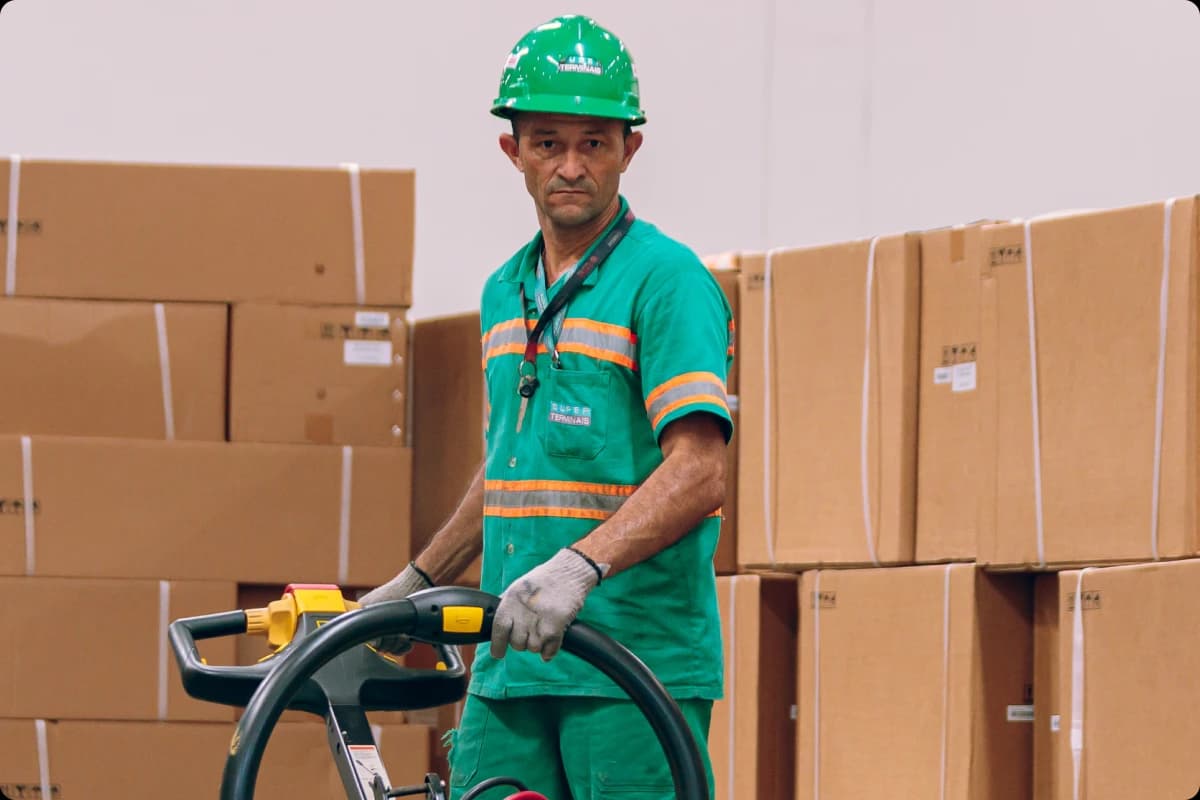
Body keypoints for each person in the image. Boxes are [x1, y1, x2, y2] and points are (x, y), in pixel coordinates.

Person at [361, 14, 733, 800]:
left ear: (630, 149)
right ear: (513, 151)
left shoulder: (666, 281)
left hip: (631, 665)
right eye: (548, 142)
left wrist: (579, 567)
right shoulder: (505, 292)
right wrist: (417, 580)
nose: (571, 165)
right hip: (513, 661)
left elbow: (700, 471)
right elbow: (509, 469)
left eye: (594, 143)